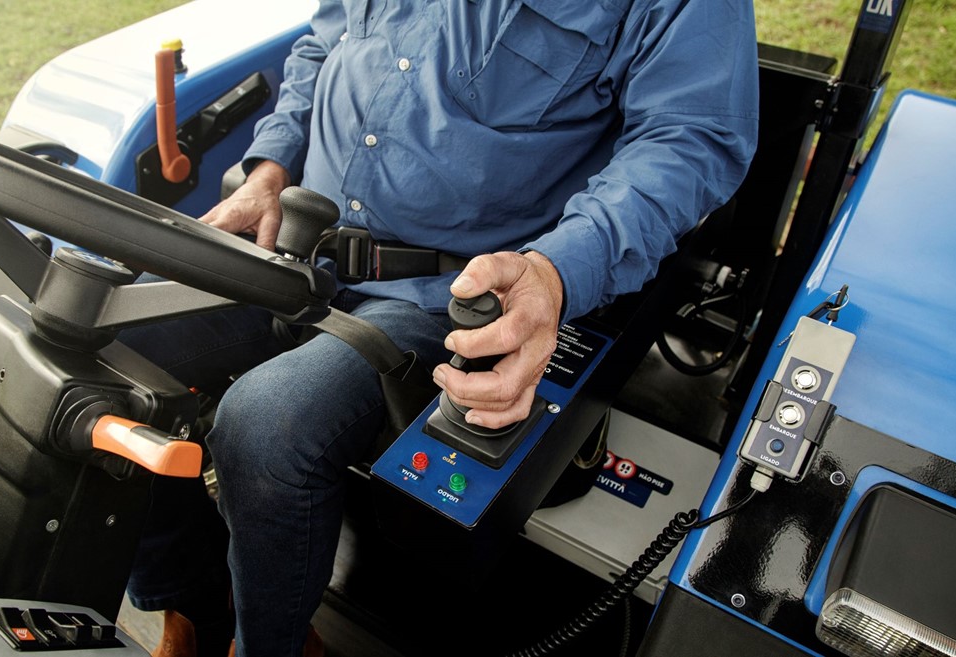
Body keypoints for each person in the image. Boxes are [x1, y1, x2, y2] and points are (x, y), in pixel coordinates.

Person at [122, 0, 759, 655]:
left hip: (440, 291)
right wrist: (271, 167)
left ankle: (274, 644)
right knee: (111, 340)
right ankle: (193, 609)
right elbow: (328, 40)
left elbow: (690, 139)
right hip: (292, 236)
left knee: (267, 422)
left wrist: (557, 271)